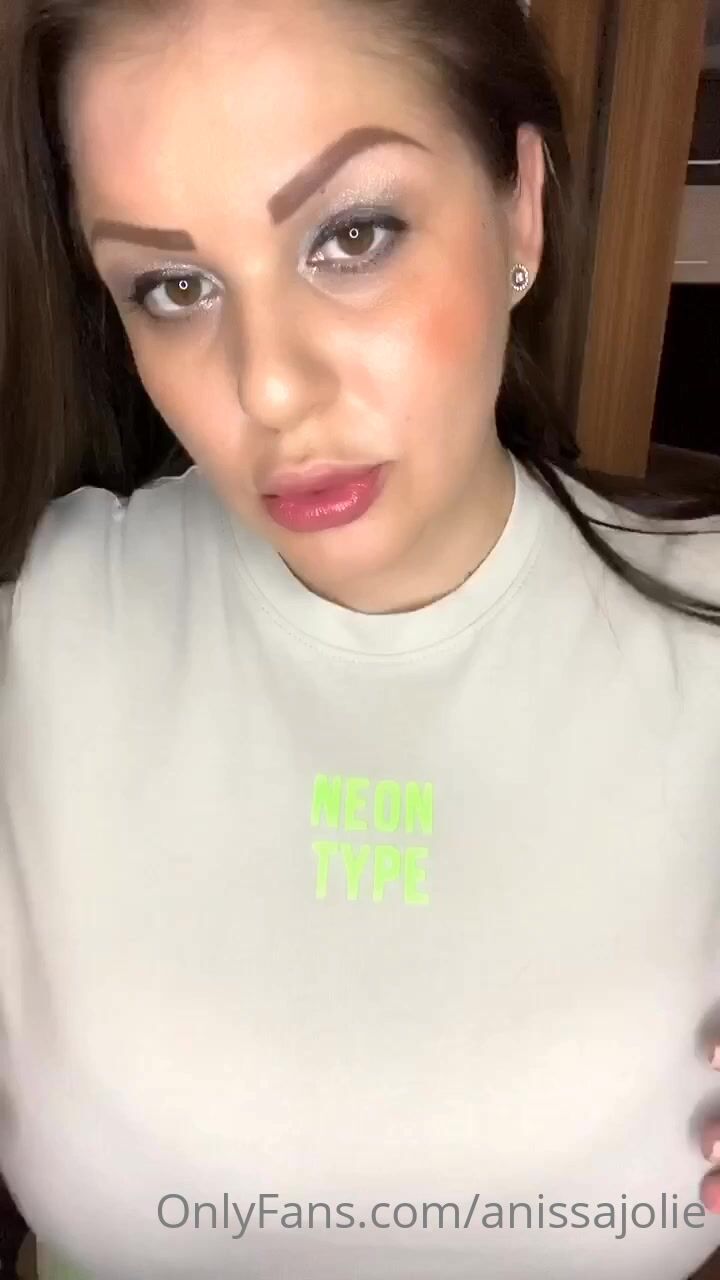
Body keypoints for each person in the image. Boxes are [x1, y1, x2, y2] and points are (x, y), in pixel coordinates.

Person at [1, 0, 720, 1277]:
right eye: (174, 286)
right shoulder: (38, 634)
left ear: (521, 208)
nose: (270, 385)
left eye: (352, 234)